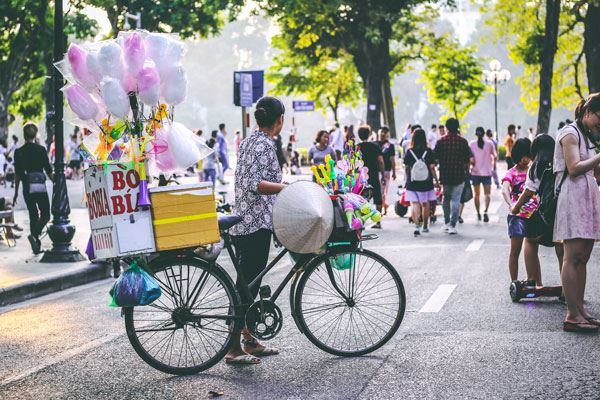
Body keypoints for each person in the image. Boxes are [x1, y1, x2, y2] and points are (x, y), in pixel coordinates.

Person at [227, 96, 286, 364]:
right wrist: (288, 188)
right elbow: (255, 184)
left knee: (249, 284)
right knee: (245, 289)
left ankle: (249, 340)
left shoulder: (250, 140)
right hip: (255, 222)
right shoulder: (264, 144)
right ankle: (232, 349)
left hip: (246, 219)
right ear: (279, 121)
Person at [553, 94, 600, 333]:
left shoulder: (588, 136)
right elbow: (573, 169)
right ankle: (572, 315)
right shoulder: (570, 133)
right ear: (588, 111)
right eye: (599, 118)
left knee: (583, 257)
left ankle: (580, 309)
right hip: (573, 199)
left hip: (588, 200)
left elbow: (595, 173)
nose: (599, 124)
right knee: (572, 257)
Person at [511, 134, 564, 286]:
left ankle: (533, 280)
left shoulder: (536, 167)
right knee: (562, 251)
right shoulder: (561, 163)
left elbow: (528, 192)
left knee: (530, 239)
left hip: (547, 216)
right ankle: (568, 291)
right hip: (564, 213)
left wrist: (515, 208)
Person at [501, 138, 542, 289]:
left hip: (534, 215)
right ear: (517, 155)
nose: (526, 159)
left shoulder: (535, 171)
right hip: (517, 216)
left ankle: (538, 283)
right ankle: (515, 282)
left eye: (528, 155)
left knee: (533, 250)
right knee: (515, 251)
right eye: (523, 156)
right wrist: (511, 204)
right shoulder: (511, 173)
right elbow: (505, 189)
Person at [14, 123, 53, 254]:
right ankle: (35, 235)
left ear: (24, 135)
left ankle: (36, 247)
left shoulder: (18, 152)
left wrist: (15, 193)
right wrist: (56, 183)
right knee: (46, 214)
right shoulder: (41, 150)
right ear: (35, 135)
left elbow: (18, 174)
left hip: (26, 187)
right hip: (40, 187)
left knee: (33, 215)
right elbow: (48, 170)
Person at [434, 118, 472, 234]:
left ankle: (446, 223)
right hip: (459, 175)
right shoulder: (463, 142)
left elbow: (435, 159)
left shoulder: (441, 142)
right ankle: (452, 225)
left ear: (446, 127)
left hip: (445, 175)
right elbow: (467, 161)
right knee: (456, 200)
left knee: (446, 199)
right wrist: (467, 172)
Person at [404, 128, 439, 236]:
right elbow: (432, 168)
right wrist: (436, 181)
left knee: (414, 204)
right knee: (425, 203)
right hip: (426, 182)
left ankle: (416, 226)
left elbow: (406, 168)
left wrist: (407, 180)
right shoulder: (428, 151)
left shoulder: (409, 152)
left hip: (412, 182)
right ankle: (425, 226)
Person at [357, 125, 384, 228]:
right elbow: (381, 161)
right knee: (377, 197)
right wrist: (382, 174)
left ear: (359, 135)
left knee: (361, 198)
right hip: (373, 174)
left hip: (361, 177)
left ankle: (361, 222)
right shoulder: (375, 146)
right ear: (369, 135)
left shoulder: (356, 147)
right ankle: (378, 222)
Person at [469, 126, 497, 222]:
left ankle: (478, 213)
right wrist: (493, 166)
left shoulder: (472, 144)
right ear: (484, 133)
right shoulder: (489, 143)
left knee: (476, 195)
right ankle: (485, 211)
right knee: (487, 194)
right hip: (487, 173)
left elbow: (469, 159)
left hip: (475, 173)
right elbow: (495, 156)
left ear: (476, 134)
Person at [378, 126, 396, 215]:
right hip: (377, 170)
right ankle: (383, 205)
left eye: (385, 132)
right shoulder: (375, 144)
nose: (383, 134)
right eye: (381, 132)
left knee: (384, 190)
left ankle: (383, 205)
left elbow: (392, 159)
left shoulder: (390, 146)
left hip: (386, 171)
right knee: (381, 190)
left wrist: (394, 172)